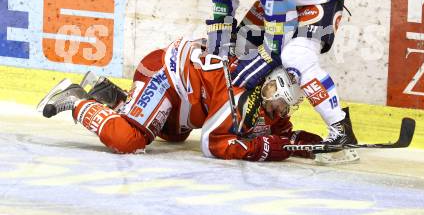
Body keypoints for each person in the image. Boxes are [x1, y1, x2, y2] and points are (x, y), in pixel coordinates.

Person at [204, 0, 358, 149]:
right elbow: (223, 1)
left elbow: (280, 30)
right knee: (241, 47)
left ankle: (340, 127)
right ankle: (254, 120)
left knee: (294, 56)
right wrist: (218, 49)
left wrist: (261, 62)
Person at [37, 37, 323, 161]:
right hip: (165, 75)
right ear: (270, 86)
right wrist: (261, 148)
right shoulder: (240, 92)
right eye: (279, 102)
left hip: (184, 101)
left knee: (173, 135)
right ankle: (76, 99)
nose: (280, 110)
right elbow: (213, 144)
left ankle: (109, 95)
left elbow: (284, 137)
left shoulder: (267, 99)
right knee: (129, 140)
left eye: (286, 105)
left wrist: (320, 146)